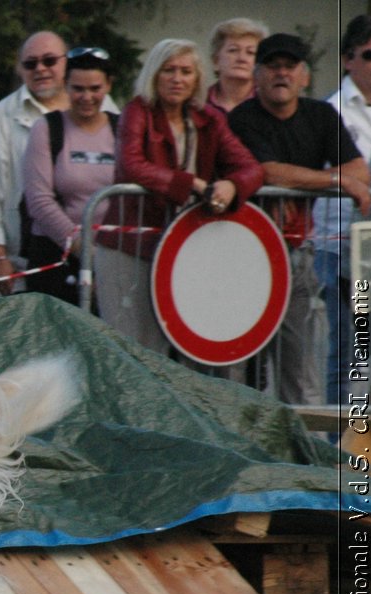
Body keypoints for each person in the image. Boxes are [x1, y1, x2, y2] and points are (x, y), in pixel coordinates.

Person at [228, 33, 371, 406]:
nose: (281, 74)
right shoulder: (242, 117)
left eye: (289, 67)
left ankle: (304, 457)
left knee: (301, 367)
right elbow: (268, 173)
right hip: (243, 257)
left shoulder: (321, 115)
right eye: (273, 66)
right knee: (239, 368)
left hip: (297, 254)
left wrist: (327, 178)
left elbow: (361, 170)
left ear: (304, 76)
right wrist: (333, 179)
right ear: (256, 75)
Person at [97, 38, 263, 357]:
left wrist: (231, 185)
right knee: (128, 347)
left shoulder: (209, 118)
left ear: (198, 79)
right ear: (153, 74)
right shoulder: (137, 111)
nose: (177, 79)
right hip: (130, 244)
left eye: (186, 71)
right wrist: (194, 184)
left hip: (185, 248)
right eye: (169, 70)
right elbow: (131, 165)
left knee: (175, 347)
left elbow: (251, 168)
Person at [0, 31, 76, 291]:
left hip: (84, 257)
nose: (40, 69)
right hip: (22, 262)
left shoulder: (98, 107)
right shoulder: (1, 118)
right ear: (19, 69)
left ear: (66, 62)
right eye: (30, 63)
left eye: (49, 61)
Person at [21, 47, 117, 304]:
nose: (87, 97)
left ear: (108, 85)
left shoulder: (122, 128)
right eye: (78, 89)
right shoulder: (46, 128)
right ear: (66, 86)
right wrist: (82, 249)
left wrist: (107, 260)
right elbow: (39, 201)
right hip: (56, 255)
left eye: (95, 89)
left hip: (111, 256)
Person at [314, 14, 371, 404]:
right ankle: (341, 454)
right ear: (347, 60)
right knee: (350, 355)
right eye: (369, 55)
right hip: (345, 251)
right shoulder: (330, 111)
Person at [205, 18, 267, 115]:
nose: (242, 58)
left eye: (250, 52)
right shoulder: (198, 104)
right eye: (233, 50)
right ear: (215, 61)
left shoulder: (269, 104)